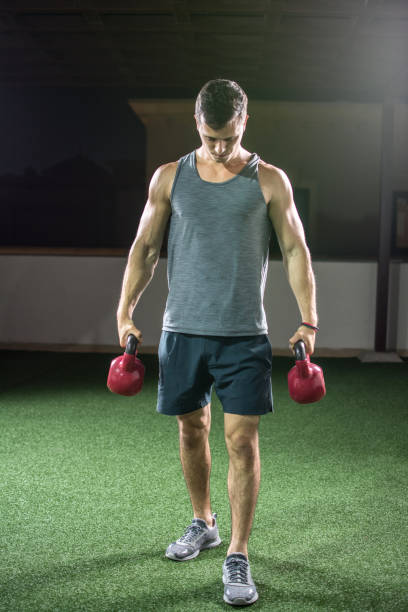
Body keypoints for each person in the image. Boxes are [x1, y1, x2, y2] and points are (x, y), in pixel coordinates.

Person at [116, 79, 318, 606]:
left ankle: (238, 553)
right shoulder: (170, 177)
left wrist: (309, 320)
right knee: (191, 430)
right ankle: (203, 521)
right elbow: (145, 249)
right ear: (197, 123)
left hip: (244, 337)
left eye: (227, 137)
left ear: (243, 122)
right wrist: (125, 311)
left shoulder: (269, 181)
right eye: (210, 137)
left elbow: (295, 249)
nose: (220, 147)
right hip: (181, 332)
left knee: (241, 442)